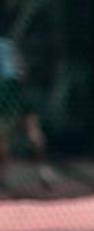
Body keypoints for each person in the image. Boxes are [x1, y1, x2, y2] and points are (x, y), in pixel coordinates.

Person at [0, 33, 54, 192]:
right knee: (27, 133)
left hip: (10, 92)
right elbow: (22, 70)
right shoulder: (8, 45)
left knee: (25, 133)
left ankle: (43, 169)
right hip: (13, 92)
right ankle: (43, 169)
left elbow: (21, 69)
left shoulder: (6, 45)